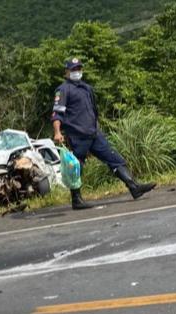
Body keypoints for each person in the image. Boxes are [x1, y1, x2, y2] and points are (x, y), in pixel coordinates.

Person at [52, 58, 156, 210]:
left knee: (114, 158)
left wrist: (97, 126)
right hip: (78, 135)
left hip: (94, 133)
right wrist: (57, 132)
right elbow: (57, 113)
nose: (77, 72)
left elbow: (93, 110)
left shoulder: (87, 88)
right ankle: (76, 200)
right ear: (66, 72)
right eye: (73, 69)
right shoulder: (63, 90)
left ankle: (134, 187)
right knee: (76, 167)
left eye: (79, 68)